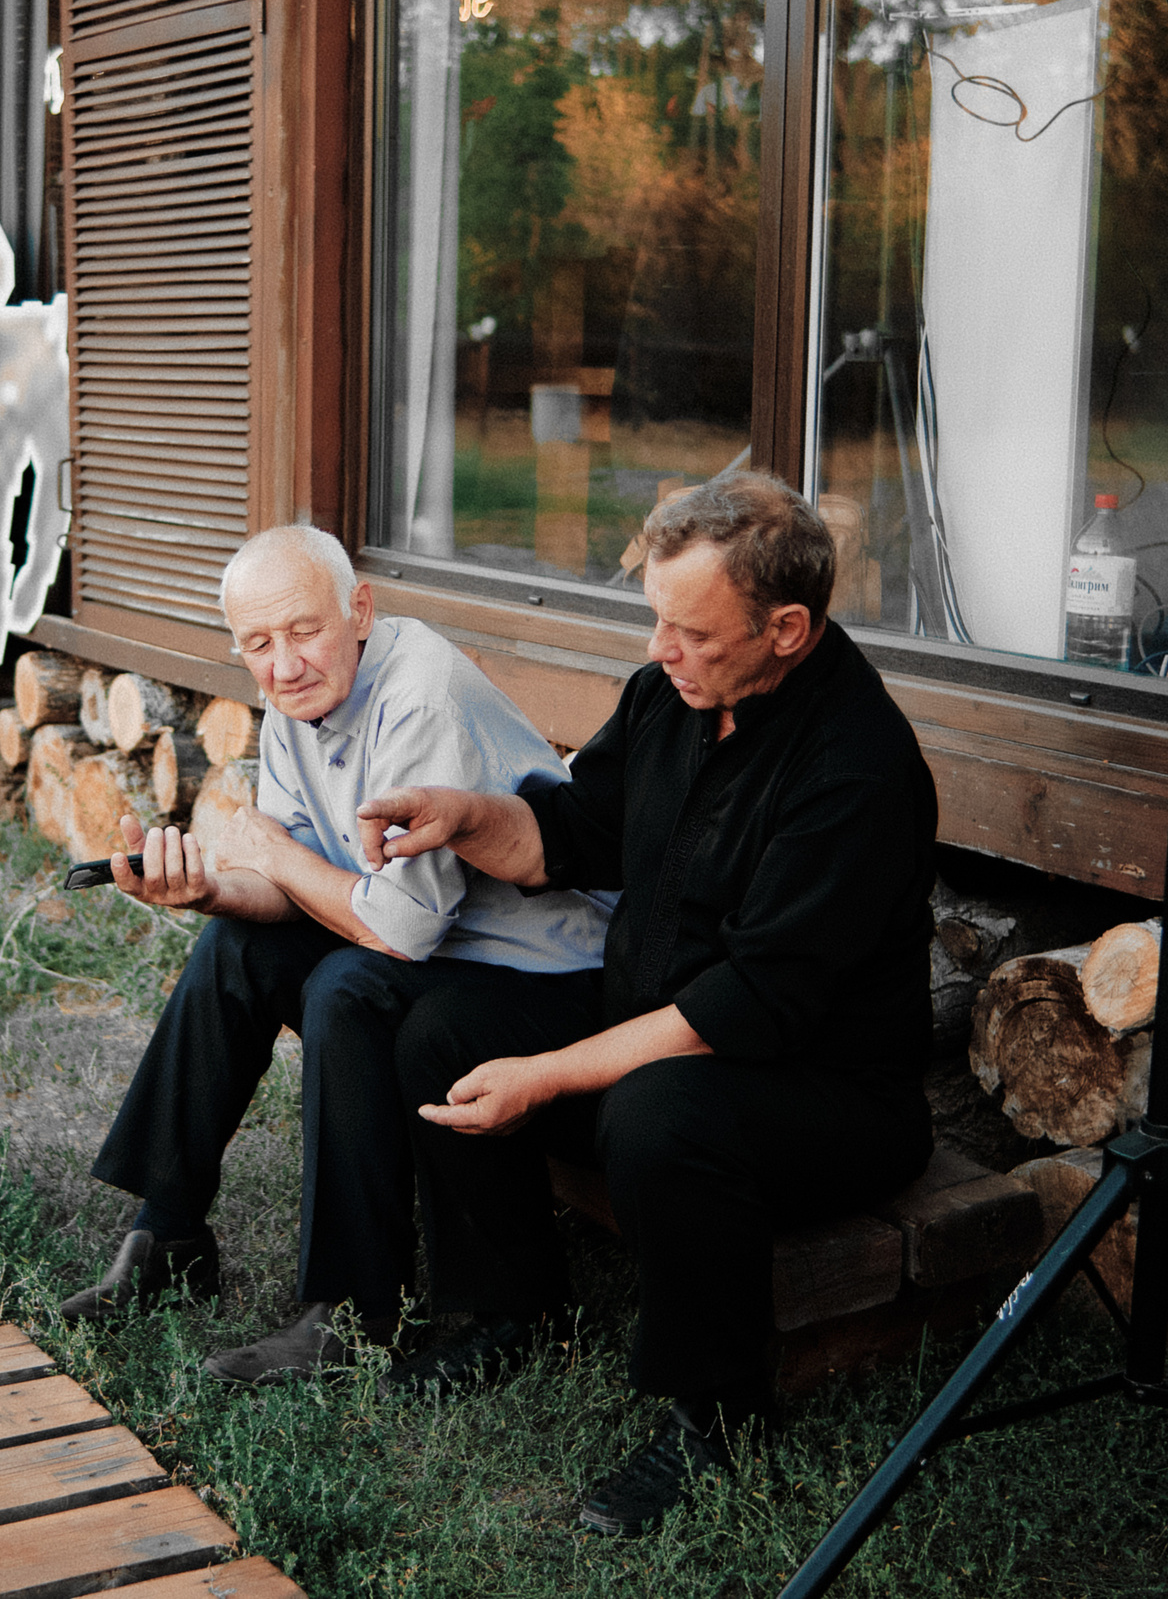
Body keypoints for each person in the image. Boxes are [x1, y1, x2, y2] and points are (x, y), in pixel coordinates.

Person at [354, 471, 938, 1536]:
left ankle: (718, 1422)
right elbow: (571, 832)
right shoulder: (672, 696)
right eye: (656, 621)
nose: (662, 649)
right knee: (445, 1024)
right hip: (667, 1039)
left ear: (787, 629)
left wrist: (546, 1075)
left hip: (823, 1097)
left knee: (657, 1113)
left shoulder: (855, 770)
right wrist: (462, 812)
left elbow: (749, 1003)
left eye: (692, 631)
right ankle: (507, 1307)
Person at [63, 524, 612, 1384]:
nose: (282, 665)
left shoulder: (418, 693)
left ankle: (352, 1314)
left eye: (302, 630)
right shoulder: (303, 693)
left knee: (350, 986)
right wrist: (208, 889)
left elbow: (400, 929)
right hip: (438, 935)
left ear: (359, 608)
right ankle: (168, 1229)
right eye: (257, 643)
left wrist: (273, 856)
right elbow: (292, 883)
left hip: (543, 967)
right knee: (237, 943)